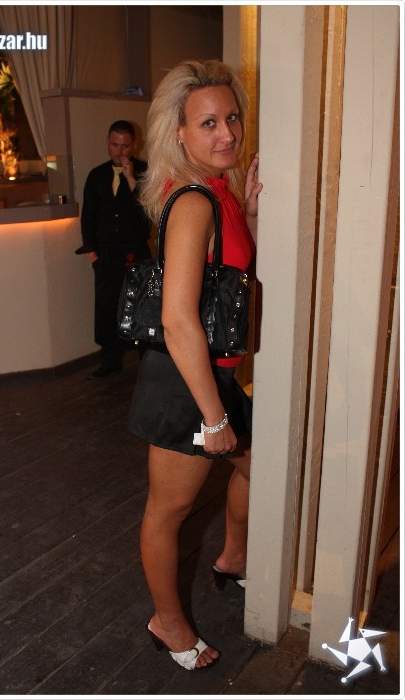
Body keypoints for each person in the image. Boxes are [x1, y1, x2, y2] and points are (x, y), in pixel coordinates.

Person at [127, 60, 263, 670]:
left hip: (215, 376)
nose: (227, 133)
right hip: (187, 386)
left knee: (257, 470)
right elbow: (179, 320)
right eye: (208, 123)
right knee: (169, 512)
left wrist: (250, 216)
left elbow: (229, 276)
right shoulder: (192, 203)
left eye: (231, 117)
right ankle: (169, 621)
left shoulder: (219, 192)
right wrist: (214, 418)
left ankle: (233, 557)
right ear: (178, 133)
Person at [76, 120, 151, 377]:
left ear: (134, 145)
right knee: (107, 307)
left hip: (136, 252)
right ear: (108, 143)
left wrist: (131, 181)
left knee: (140, 305)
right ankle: (109, 360)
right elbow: (88, 217)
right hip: (106, 255)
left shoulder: (145, 173)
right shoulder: (97, 175)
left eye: (125, 146)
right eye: (115, 145)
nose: (119, 151)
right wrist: (92, 255)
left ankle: (146, 361)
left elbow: (147, 216)